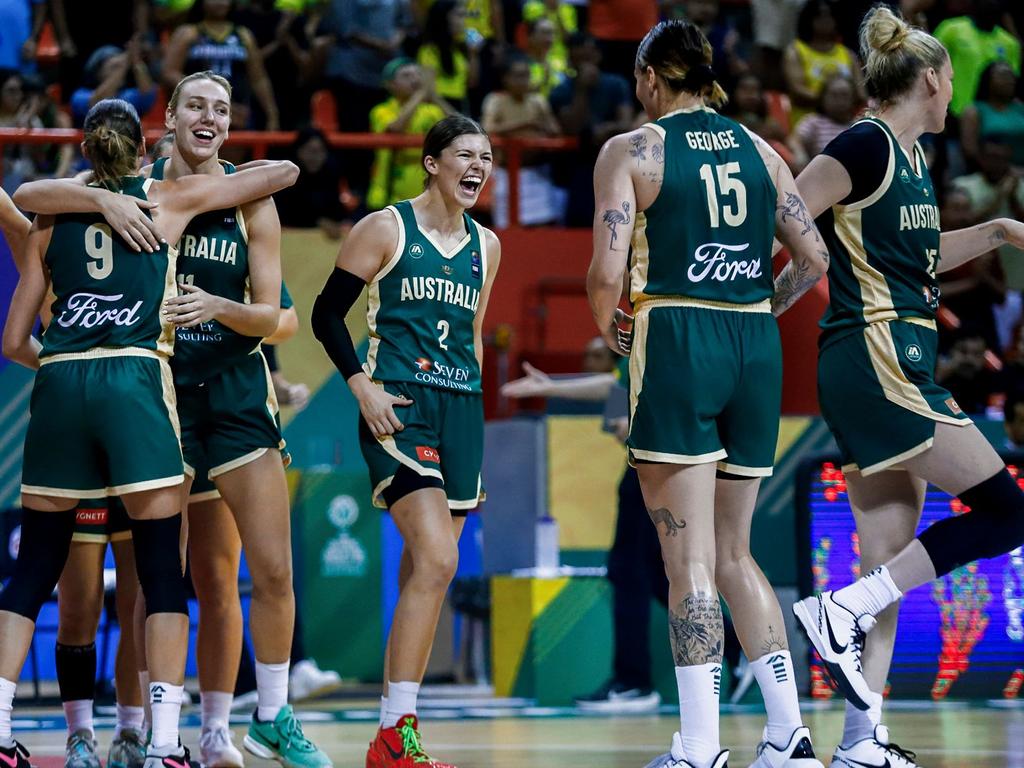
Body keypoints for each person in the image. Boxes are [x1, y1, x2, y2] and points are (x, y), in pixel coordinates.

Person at [16, 73, 330, 768]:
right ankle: (141, 729)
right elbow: (32, 198)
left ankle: (243, 722)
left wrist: (219, 309)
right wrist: (97, 194)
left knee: (252, 574)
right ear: (170, 117)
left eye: (222, 107)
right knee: (155, 579)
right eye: (196, 104)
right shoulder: (135, 185)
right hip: (154, 398)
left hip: (238, 394)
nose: (209, 116)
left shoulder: (247, 200)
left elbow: (282, 318)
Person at [586, 19, 830, 768]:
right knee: (736, 554)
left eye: (638, 77)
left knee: (686, 562)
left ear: (653, 77)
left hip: (679, 336)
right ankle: (787, 733)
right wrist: (760, 309)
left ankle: (698, 747)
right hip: (754, 343)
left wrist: (616, 333)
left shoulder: (634, 150)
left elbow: (605, 271)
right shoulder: (763, 151)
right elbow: (813, 258)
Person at [788, 8, 1024, 768]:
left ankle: (863, 741)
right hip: (877, 357)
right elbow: (785, 212)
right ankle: (839, 611)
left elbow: (917, 256)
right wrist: (776, 289)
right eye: (951, 75)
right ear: (930, 77)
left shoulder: (916, 161)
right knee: (1006, 511)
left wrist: (996, 231)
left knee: (887, 566)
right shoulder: (863, 144)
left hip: (892, 358)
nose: (954, 87)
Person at [312, 114, 499, 768]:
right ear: (431, 162)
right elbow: (325, 312)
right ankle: (396, 731)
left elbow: (473, 336)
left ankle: (394, 735)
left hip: (461, 412)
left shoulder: (487, 246)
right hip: (399, 402)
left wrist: (478, 433)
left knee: (428, 565)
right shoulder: (386, 227)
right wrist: (359, 384)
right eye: (465, 154)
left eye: (487, 157)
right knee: (441, 559)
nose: (478, 166)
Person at [162, 0, 280, 130]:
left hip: (236, 113)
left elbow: (258, 78)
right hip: (197, 112)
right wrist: (208, 97)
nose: (220, 2)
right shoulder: (189, 33)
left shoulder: (243, 35)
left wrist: (272, 114)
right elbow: (169, 73)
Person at [367, 59, 454, 212]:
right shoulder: (381, 110)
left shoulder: (431, 111)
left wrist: (434, 96)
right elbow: (395, 128)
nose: (415, 79)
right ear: (390, 84)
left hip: (425, 193)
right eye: (407, 76)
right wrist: (421, 93)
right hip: (389, 194)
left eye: (418, 75)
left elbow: (460, 129)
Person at [782, 0, 865, 127]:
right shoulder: (796, 51)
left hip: (844, 125)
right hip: (807, 124)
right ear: (808, 19)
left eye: (829, 15)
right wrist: (834, 97)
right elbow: (797, 90)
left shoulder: (847, 54)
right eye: (819, 15)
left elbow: (861, 93)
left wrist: (838, 100)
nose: (825, 20)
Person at [960, 61, 1024, 169]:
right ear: (988, 80)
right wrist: (1004, 172)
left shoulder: (1020, 108)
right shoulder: (974, 111)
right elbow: (970, 150)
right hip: (987, 174)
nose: (1009, 80)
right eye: (1003, 76)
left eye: (1011, 76)